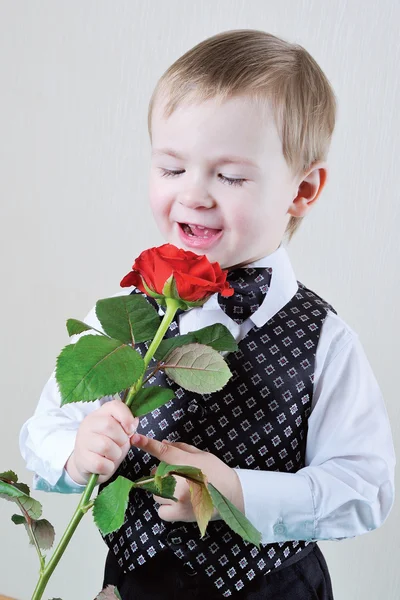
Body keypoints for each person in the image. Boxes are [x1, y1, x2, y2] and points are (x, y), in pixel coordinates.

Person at [19, 29, 395, 600]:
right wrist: (74, 454)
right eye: (172, 169)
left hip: (272, 590)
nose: (194, 194)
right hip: (132, 586)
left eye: (231, 176)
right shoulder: (120, 318)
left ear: (303, 189)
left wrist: (236, 492)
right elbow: (43, 429)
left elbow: (367, 488)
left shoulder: (327, 342)